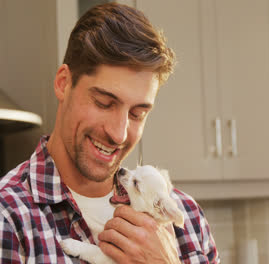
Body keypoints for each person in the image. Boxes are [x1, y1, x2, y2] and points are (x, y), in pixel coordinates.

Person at [0, 3, 219, 264]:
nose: (118, 133)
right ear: (63, 84)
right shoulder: (9, 218)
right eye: (104, 103)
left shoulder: (188, 218)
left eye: (137, 113)